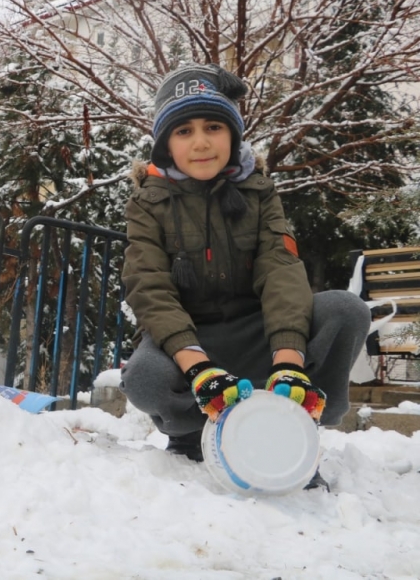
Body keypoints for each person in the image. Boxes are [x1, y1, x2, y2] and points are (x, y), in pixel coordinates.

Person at [119, 63, 371, 489]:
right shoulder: (148, 203)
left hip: (258, 333)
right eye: (183, 132)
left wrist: (289, 360)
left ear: (233, 135)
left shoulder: (259, 191)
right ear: (165, 145)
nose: (200, 142)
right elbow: (150, 287)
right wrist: (197, 368)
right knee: (143, 376)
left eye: (213, 127)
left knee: (345, 310)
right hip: (191, 339)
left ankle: (296, 424)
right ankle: (189, 435)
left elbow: (281, 270)